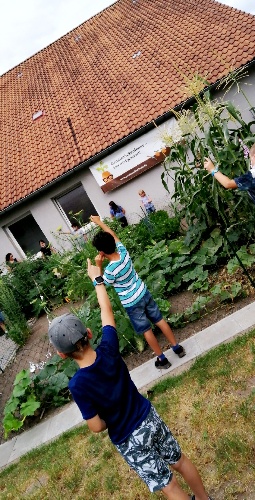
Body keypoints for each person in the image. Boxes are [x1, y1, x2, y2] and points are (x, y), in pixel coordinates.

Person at [48, 258, 212, 500]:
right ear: (90, 334)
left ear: (62, 355)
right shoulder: (110, 347)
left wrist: (106, 419)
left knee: (168, 486)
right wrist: (97, 280)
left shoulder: (77, 385)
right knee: (180, 461)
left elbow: (96, 426)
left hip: (127, 438)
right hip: (147, 415)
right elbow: (106, 311)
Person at [90, 216, 185, 369]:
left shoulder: (110, 271)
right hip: (143, 292)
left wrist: (98, 265)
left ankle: (162, 360)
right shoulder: (123, 251)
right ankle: (177, 348)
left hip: (132, 304)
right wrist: (100, 223)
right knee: (160, 320)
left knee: (146, 330)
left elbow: (100, 283)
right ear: (113, 243)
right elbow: (113, 235)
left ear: (101, 252)